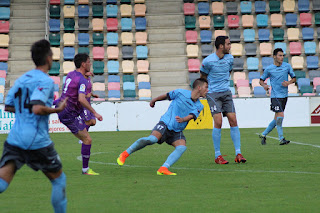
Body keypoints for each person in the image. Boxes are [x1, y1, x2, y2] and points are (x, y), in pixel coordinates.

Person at [0, 39, 67, 213]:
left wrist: (25, 112)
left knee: (2, 183)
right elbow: (37, 108)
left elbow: (8, 106)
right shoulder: (45, 81)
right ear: (48, 58)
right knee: (59, 181)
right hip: (37, 140)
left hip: (15, 139)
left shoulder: (22, 79)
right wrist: (57, 109)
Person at [117, 78, 208, 175]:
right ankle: (125, 154)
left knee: (181, 147)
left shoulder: (200, 105)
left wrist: (183, 119)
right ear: (199, 87)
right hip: (165, 124)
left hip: (177, 130)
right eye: (206, 87)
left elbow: (192, 116)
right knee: (152, 139)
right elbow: (166, 96)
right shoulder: (180, 93)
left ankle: (163, 168)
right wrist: (154, 100)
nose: (208, 90)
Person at [200, 36, 246, 165]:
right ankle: (217, 155)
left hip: (226, 92)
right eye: (228, 44)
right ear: (221, 46)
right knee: (218, 121)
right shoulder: (208, 61)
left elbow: (229, 71)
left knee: (233, 120)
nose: (230, 46)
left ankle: (238, 153)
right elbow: (202, 76)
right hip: (213, 94)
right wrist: (205, 90)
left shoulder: (230, 58)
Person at [57, 53, 103, 175]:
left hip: (63, 108)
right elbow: (81, 99)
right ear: (83, 64)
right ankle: (85, 170)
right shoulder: (82, 79)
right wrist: (95, 112)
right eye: (89, 62)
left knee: (88, 131)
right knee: (87, 139)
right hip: (69, 114)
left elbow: (74, 88)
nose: (90, 64)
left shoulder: (72, 74)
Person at [259, 48, 296, 145]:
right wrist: (265, 86)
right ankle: (281, 138)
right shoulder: (269, 69)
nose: (282, 57)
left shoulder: (287, 66)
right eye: (280, 55)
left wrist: (288, 82)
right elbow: (261, 80)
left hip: (284, 95)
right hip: (275, 96)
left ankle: (263, 134)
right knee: (280, 116)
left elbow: (294, 78)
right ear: (274, 56)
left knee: (277, 118)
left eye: (283, 55)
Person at [78, 71, 99, 144]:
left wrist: (93, 95)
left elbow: (88, 91)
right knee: (88, 121)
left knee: (93, 122)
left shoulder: (88, 80)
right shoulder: (81, 81)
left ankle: (82, 134)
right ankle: (82, 138)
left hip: (88, 104)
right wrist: (87, 96)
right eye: (87, 71)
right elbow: (79, 94)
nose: (90, 73)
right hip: (83, 104)